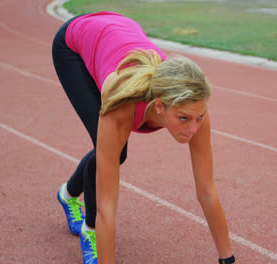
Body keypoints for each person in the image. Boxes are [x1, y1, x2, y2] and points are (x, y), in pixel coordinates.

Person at [52, 11, 236, 264]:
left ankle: (67, 195)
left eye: (199, 118)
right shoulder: (122, 108)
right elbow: (108, 208)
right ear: (159, 106)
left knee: (115, 151)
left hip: (120, 31)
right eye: (183, 119)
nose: (194, 128)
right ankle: (89, 230)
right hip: (74, 44)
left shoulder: (193, 108)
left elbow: (207, 191)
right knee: (114, 152)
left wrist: (228, 260)